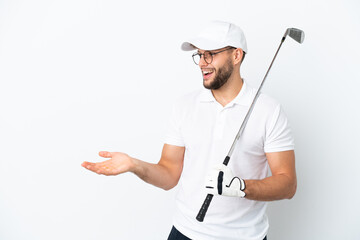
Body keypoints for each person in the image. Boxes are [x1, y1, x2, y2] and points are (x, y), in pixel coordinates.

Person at [81, 21, 297, 240]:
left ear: (236, 55)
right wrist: (134, 165)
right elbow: (168, 175)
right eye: (200, 55)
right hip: (185, 233)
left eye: (210, 54)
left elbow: (287, 184)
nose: (202, 63)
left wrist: (241, 187)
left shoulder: (268, 110)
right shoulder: (185, 106)